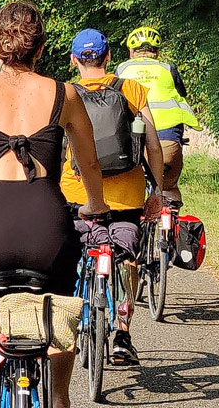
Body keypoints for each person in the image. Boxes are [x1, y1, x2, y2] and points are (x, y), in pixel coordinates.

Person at [0, 1, 109, 408]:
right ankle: (59, 398)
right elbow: (90, 162)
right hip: (47, 230)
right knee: (60, 310)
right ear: (41, 48)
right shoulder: (64, 94)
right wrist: (94, 206)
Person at [60, 28, 164, 366]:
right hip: (126, 197)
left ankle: (71, 320)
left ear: (74, 60)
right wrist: (159, 190)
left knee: (70, 256)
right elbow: (152, 145)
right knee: (126, 258)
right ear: (108, 59)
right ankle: (122, 334)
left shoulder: (64, 94)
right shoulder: (131, 89)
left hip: (77, 195)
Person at [116, 27, 202, 205]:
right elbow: (181, 94)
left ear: (131, 52)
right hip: (168, 143)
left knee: (132, 187)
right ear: (157, 52)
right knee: (169, 188)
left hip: (133, 146)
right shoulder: (168, 69)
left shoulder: (122, 70)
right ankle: (171, 224)